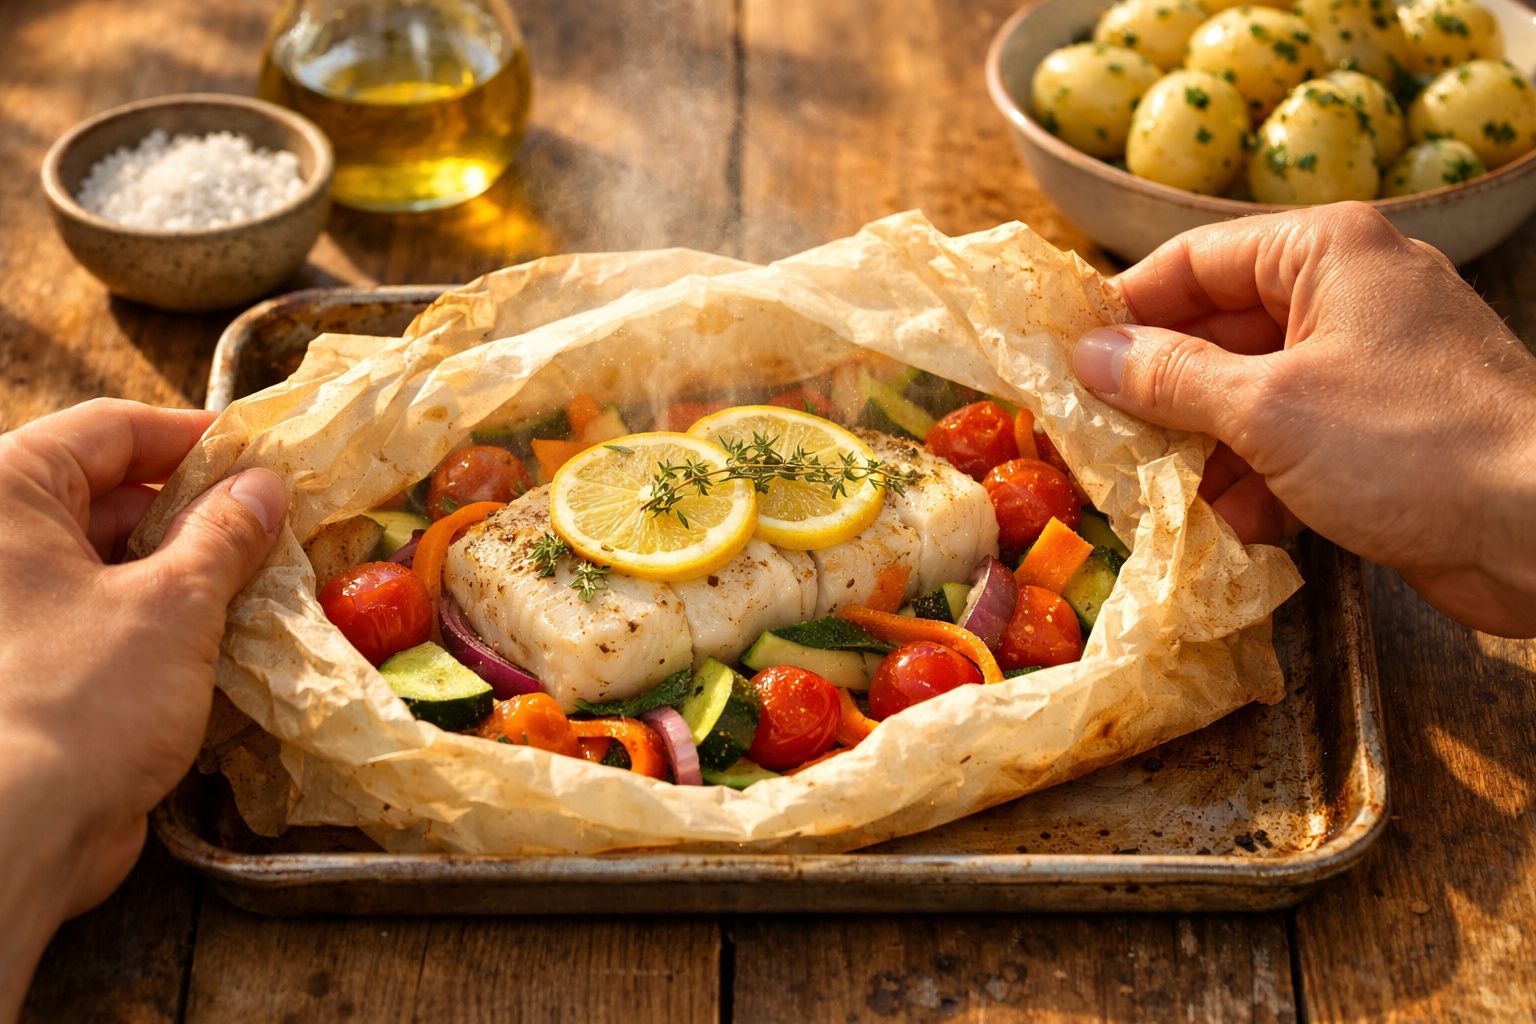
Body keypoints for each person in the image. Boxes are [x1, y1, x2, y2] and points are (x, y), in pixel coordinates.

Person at [0, 201, 1532, 1016]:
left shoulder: (939, 497)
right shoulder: (490, 552)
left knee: (896, 519)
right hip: (596, 591)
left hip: (845, 517)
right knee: (564, 597)